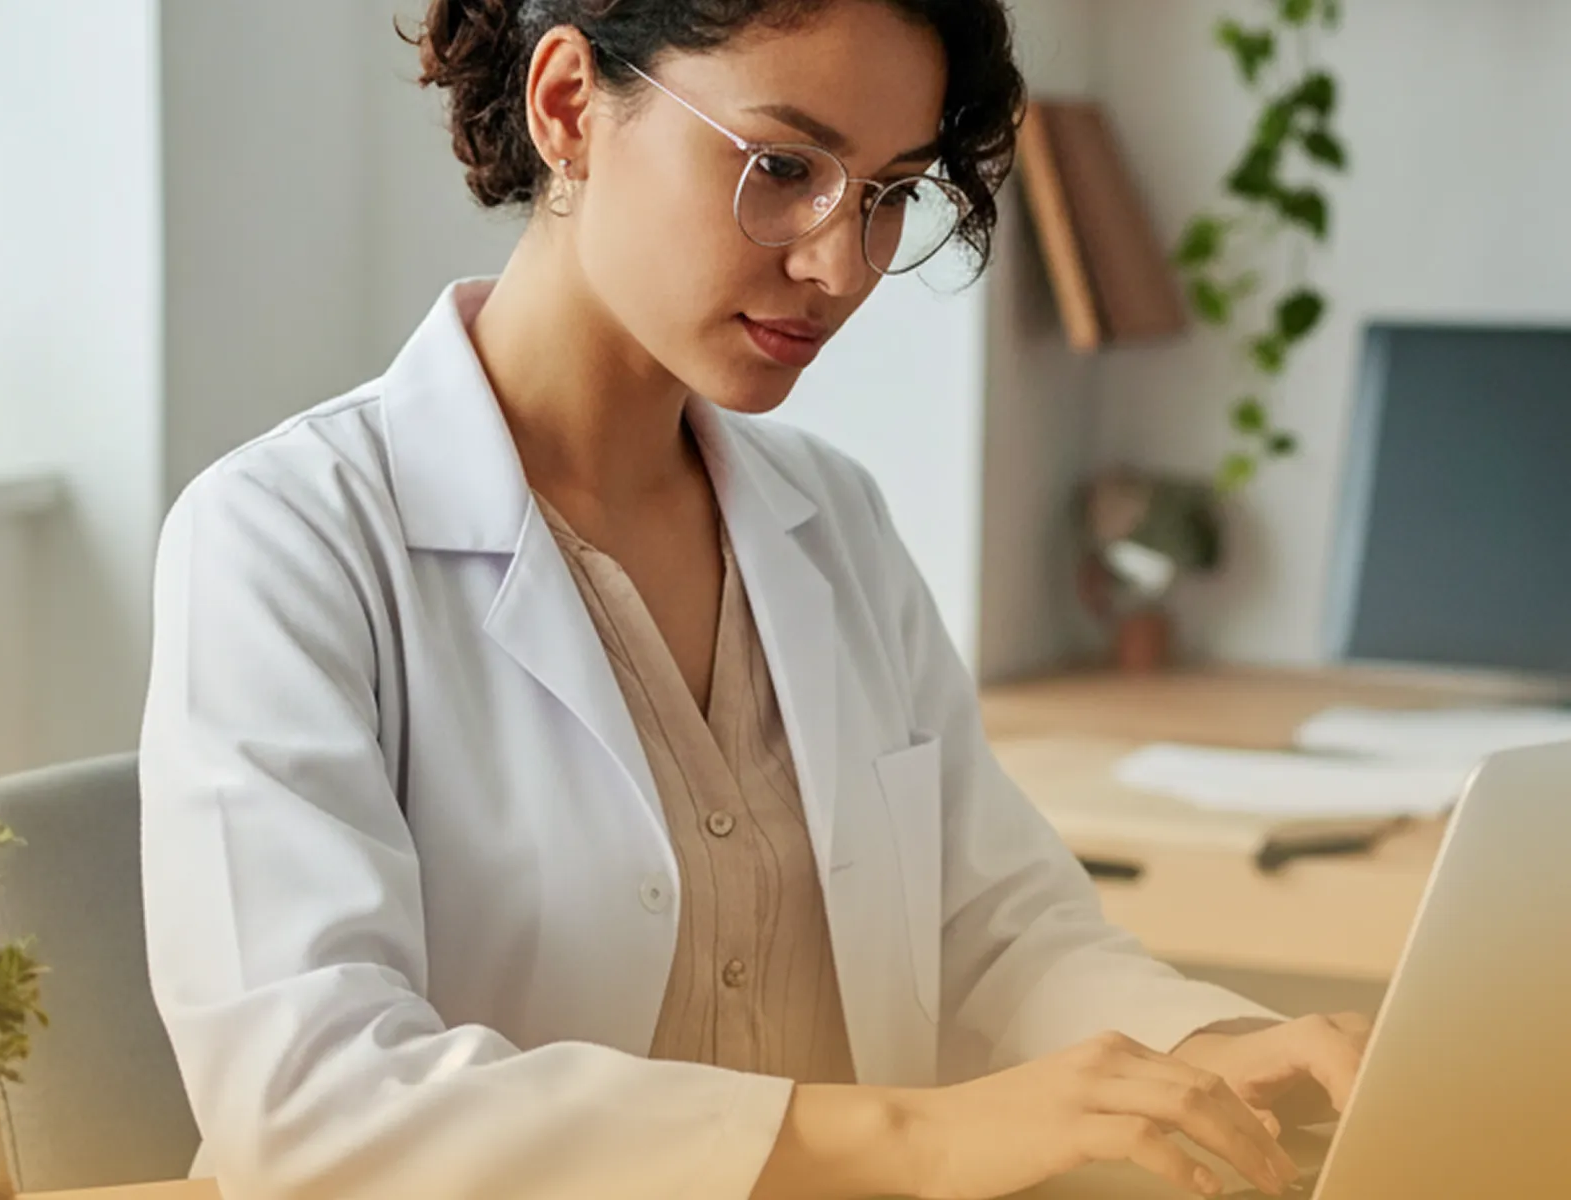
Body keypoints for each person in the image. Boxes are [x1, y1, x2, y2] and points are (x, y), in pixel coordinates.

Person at [138, 2, 1371, 1198]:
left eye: (888, 193)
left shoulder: (830, 520)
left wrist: (1202, 1054)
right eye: (783, 164)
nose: (840, 263)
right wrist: (914, 1143)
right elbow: (313, 1104)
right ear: (569, 106)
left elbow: (995, 934)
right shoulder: (287, 539)